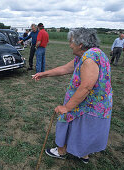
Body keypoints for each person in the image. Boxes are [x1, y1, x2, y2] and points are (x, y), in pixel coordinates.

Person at [32, 28, 112, 164]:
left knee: (68, 120)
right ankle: (83, 154)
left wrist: (67, 107)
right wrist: (43, 74)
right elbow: (65, 69)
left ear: (80, 44)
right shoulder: (88, 55)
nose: (70, 45)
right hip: (94, 105)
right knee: (85, 128)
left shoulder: (89, 58)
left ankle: (62, 151)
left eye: (71, 42)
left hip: (88, 104)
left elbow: (86, 86)